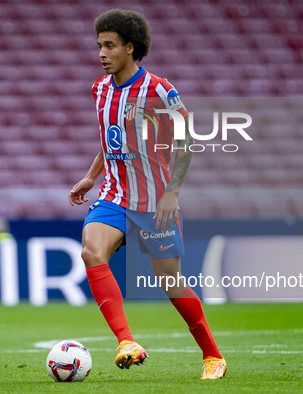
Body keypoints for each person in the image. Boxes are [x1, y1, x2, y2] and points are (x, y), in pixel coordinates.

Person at [68, 8, 226, 380]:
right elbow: (110, 141)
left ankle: (213, 356)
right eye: (99, 46)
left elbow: (186, 141)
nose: (102, 53)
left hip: (155, 201)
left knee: (170, 281)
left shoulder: (159, 90)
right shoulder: (100, 89)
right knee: (92, 250)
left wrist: (172, 193)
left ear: (130, 47)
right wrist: (91, 177)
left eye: (110, 46)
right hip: (115, 196)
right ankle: (126, 342)